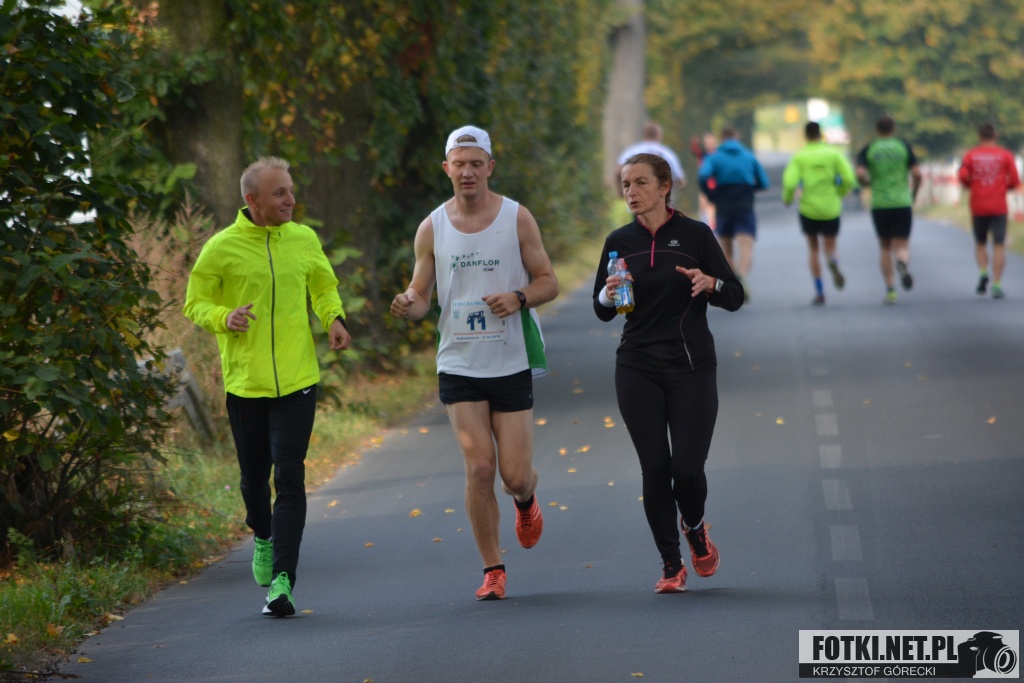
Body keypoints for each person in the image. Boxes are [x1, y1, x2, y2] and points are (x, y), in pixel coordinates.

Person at [390, 125, 559, 601]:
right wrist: (408, 303)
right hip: (459, 362)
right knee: (480, 469)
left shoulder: (516, 218)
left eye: (476, 163)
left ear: (490, 167)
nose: (467, 172)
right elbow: (421, 295)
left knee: (514, 475)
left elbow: (548, 281)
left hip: (510, 359)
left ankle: (526, 499)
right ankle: (493, 569)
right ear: (447, 168)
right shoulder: (432, 227)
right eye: (459, 164)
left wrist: (518, 297)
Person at [183, 157, 352, 617]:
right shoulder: (222, 247)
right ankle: (261, 532)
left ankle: (282, 582)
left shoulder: (303, 238)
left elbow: (323, 285)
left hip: (298, 381)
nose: (290, 199)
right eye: (279, 193)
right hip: (246, 385)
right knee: (254, 481)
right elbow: (195, 303)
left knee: (290, 476)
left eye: (291, 190)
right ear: (252, 200)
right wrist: (224, 317)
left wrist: (333, 318)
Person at [593, 152, 743, 594]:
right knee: (655, 468)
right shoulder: (619, 241)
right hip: (636, 365)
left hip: (691, 365)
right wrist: (607, 294)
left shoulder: (696, 235)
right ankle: (671, 563)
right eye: (626, 185)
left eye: (641, 183)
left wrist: (711, 284)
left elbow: (735, 295)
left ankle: (694, 527)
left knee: (688, 471)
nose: (631, 192)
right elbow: (602, 311)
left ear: (664, 188)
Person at [782, 122, 858, 305]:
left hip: (808, 209)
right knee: (830, 246)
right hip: (831, 208)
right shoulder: (834, 154)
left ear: (805, 135)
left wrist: (788, 198)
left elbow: (790, 182)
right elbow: (849, 178)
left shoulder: (800, 157)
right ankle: (832, 261)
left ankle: (819, 291)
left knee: (813, 249)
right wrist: (840, 192)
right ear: (820, 134)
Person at [855, 115, 923, 305]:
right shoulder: (903, 146)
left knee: (885, 247)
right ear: (893, 129)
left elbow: (859, 173)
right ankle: (902, 261)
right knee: (901, 246)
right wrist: (914, 193)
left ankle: (891, 289)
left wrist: (867, 184)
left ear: (877, 130)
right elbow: (917, 174)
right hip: (902, 203)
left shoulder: (870, 148)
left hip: (880, 205)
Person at [698, 127, 770, 298]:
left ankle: (735, 279)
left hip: (723, 204)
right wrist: (750, 188)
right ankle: (742, 276)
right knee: (746, 244)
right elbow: (764, 182)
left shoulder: (714, 157)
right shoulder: (749, 156)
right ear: (737, 137)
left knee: (726, 249)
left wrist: (711, 195)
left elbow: (703, 176)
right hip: (744, 204)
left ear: (722, 139)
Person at [957, 123, 1021, 299]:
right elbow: (1015, 180)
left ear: (979, 136)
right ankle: (997, 284)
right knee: (999, 245)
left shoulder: (971, 155)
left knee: (980, 243)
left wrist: (970, 184)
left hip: (978, 206)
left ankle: (983, 272)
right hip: (999, 207)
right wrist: (1003, 187)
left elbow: (962, 175)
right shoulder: (1005, 155)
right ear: (995, 136)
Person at [616, 121, 687, 195]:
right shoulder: (667, 154)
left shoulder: (632, 151)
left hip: (635, 195)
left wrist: (620, 191)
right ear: (658, 135)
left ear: (644, 134)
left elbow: (618, 171)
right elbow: (680, 181)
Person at [690, 131, 719, 228]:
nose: (709, 145)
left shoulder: (718, 154)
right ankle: (704, 224)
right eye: (707, 142)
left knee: (712, 204)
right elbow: (694, 149)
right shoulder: (702, 154)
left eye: (711, 142)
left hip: (715, 183)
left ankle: (712, 224)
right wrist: (694, 142)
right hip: (703, 182)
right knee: (703, 203)